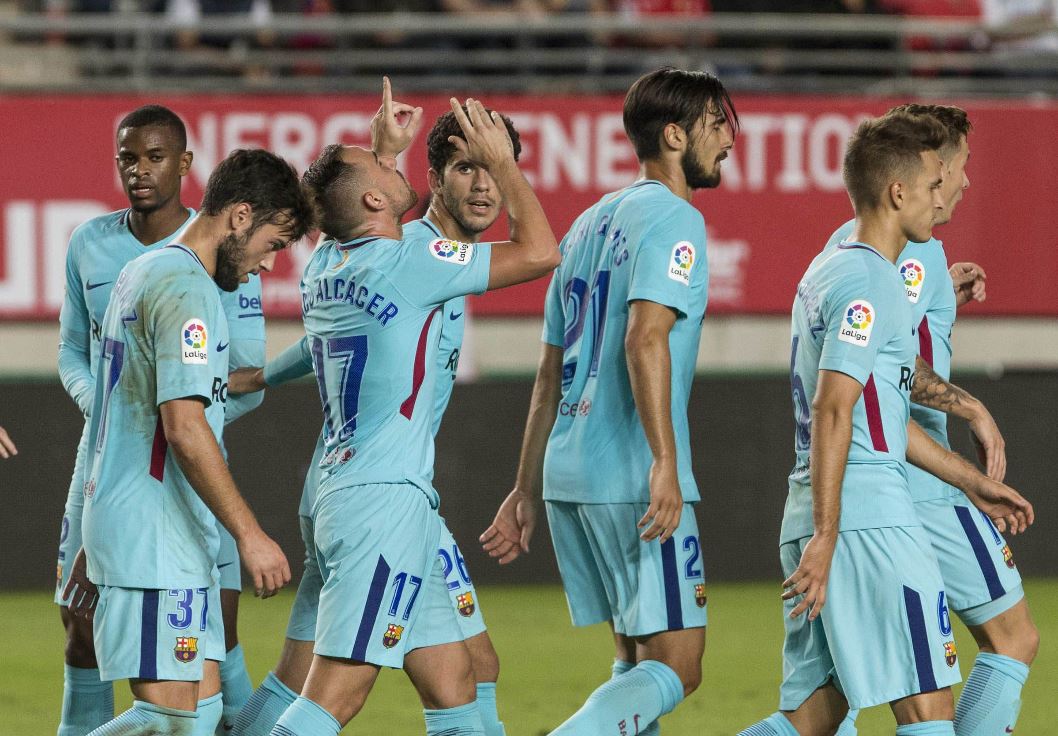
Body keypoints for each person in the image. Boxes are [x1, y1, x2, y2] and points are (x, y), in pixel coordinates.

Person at [264, 92, 558, 736]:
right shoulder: (419, 258)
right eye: (467, 168)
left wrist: (258, 374)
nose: (484, 185)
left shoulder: (332, 255)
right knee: (336, 691)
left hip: (365, 488)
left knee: (466, 673)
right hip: (380, 496)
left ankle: (242, 724)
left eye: (491, 169)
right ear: (433, 181)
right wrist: (508, 165)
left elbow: (328, 322)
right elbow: (540, 252)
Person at [735, 112, 1033, 736]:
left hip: (823, 506)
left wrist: (971, 481)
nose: (944, 192)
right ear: (899, 192)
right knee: (929, 708)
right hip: (869, 519)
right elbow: (834, 407)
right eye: (933, 182)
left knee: (815, 715)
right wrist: (828, 533)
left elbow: (882, 414)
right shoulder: (870, 281)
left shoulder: (831, 268)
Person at [480, 66, 736, 736]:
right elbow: (644, 338)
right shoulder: (677, 220)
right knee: (678, 666)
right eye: (716, 123)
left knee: (635, 662)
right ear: (675, 135)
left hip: (570, 471)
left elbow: (548, 373)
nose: (729, 139)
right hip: (630, 472)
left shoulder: (587, 225)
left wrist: (525, 487)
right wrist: (665, 462)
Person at [62, 147, 313, 736]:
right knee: (170, 719)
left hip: (157, 532)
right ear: (241, 216)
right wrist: (249, 535)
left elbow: (120, 406)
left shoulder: (145, 270)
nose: (269, 263)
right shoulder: (186, 289)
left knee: (197, 717)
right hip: (152, 536)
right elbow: (184, 425)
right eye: (273, 243)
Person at [831, 105, 1039, 736]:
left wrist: (944, 294)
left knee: (830, 698)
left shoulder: (854, 247)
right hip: (919, 482)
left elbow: (885, 335)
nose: (966, 180)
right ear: (933, 169)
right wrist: (970, 405)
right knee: (1012, 639)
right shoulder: (911, 254)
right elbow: (885, 365)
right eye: (961, 164)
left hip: (866, 481)